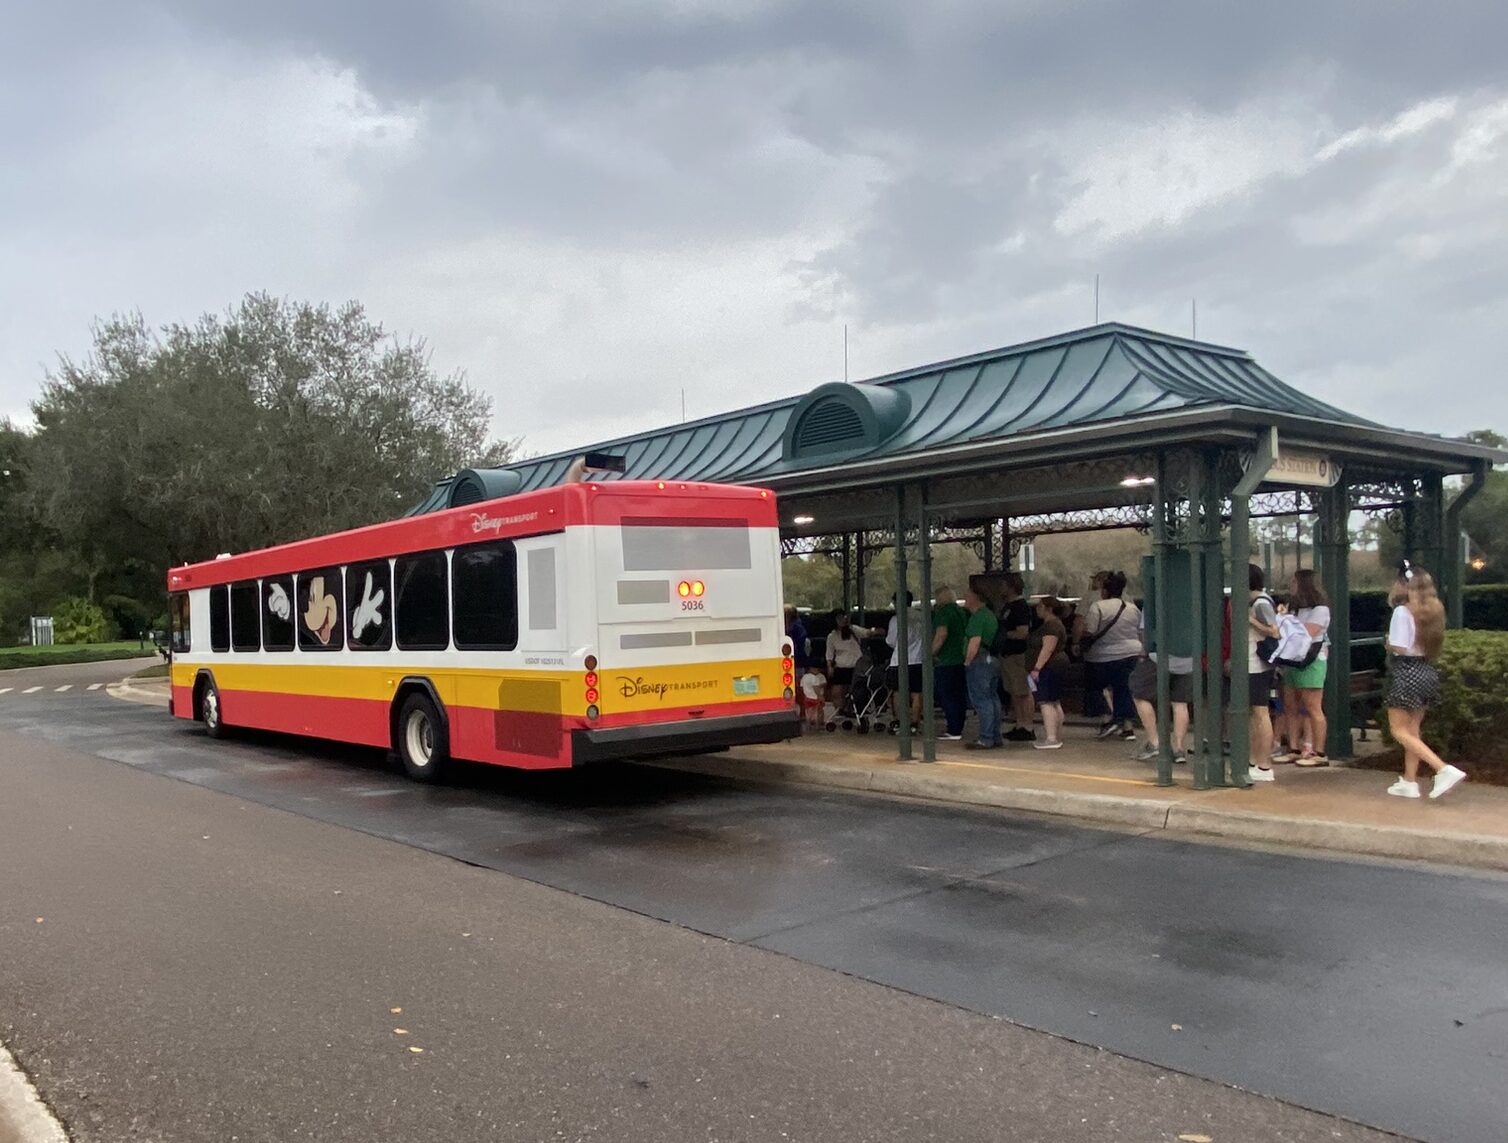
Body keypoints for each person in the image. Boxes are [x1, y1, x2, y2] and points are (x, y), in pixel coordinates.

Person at [1383, 564, 1466, 799]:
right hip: (1425, 670)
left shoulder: (1402, 611)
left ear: (1404, 585)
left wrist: (1388, 642)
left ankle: (1442, 769)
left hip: (1405, 671)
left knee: (1398, 730)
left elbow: (1399, 646)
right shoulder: (1435, 609)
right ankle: (1409, 781)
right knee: (1413, 729)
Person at [1075, 570, 1140, 741]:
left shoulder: (1098, 607)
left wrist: (1080, 644)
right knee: (1123, 688)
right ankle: (1127, 727)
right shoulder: (1132, 608)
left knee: (1095, 688)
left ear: (1105, 591)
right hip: (1130, 652)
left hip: (1102, 655)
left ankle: (1108, 718)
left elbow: (1090, 630)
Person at [1280, 569, 1332, 766]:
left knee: (1312, 707)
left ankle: (1319, 753)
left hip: (1311, 660)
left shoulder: (1320, 610)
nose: (1290, 586)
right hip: (1292, 659)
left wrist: (1285, 628)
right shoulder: (1294, 608)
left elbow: (1307, 633)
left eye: (1294, 582)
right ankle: (1293, 747)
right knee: (1290, 705)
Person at [1129, 612, 1191, 763]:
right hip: (1188, 657)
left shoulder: (1155, 595)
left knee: (1139, 692)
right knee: (1180, 703)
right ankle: (1178, 749)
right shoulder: (1193, 599)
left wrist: (1144, 652)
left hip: (1159, 656)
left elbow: (1145, 632)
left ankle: (1154, 741)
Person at [1246, 564, 1280, 782]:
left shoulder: (1260, 603)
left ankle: (1264, 765)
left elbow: (1274, 631)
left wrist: (1248, 620)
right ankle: (1254, 760)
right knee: (1255, 714)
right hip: (1255, 663)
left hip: (1257, 664)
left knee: (1260, 713)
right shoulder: (1259, 601)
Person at [994, 572, 1036, 742]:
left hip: (1017, 654)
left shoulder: (1020, 607)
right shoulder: (1007, 606)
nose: (1001, 589)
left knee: (1023, 691)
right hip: (1006, 654)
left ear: (1011, 587)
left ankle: (1028, 725)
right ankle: (1019, 723)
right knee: (1013, 691)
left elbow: (1022, 633)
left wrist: (1004, 635)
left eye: (1004, 585)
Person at [1028, 596, 1072, 750]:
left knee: (1045, 701)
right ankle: (1056, 735)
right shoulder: (1055, 624)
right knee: (1055, 701)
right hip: (1057, 665)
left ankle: (1051, 737)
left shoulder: (1051, 626)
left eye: (1040, 606)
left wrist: (1037, 668)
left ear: (1049, 609)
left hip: (1049, 666)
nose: (1037, 609)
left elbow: (1048, 648)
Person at [961, 587, 1001, 750]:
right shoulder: (990, 616)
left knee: (981, 699)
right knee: (992, 698)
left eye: (968, 596)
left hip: (979, 660)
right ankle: (995, 735)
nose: (965, 598)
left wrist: (967, 661)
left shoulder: (978, 617)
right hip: (991, 659)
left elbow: (975, 642)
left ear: (977, 598)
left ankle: (986, 737)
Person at [930, 586, 968, 741]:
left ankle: (953, 728)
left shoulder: (943, 613)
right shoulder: (962, 612)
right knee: (959, 695)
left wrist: (931, 653)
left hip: (946, 659)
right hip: (961, 658)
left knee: (947, 694)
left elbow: (941, 634)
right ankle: (958, 725)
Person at [886, 591, 926, 729]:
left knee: (898, 692)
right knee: (917, 692)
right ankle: (915, 721)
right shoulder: (921, 616)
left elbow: (891, 641)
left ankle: (900, 720)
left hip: (899, 660)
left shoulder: (896, 619)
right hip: (918, 659)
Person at [825, 610, 875, 710]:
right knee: (837, 692)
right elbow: (829, 654)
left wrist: (875, 630)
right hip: (841, 667)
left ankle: (856, 709)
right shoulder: (832, 636)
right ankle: (841, 711)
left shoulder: (853, 630)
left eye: (843, 617)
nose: (842, 620)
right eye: (839, 618)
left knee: (856, 691)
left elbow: (867, 633)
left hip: (857, 667)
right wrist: (829, 667)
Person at [799, 664, 827, 729]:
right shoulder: (815, 678)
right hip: (815, 698)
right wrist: (820, 696)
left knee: (808, 712)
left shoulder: (804, 677)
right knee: (817, 712)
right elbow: (816, 688)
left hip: (807, 698)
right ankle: (817, 726)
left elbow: (801, 687)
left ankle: (808, 725)